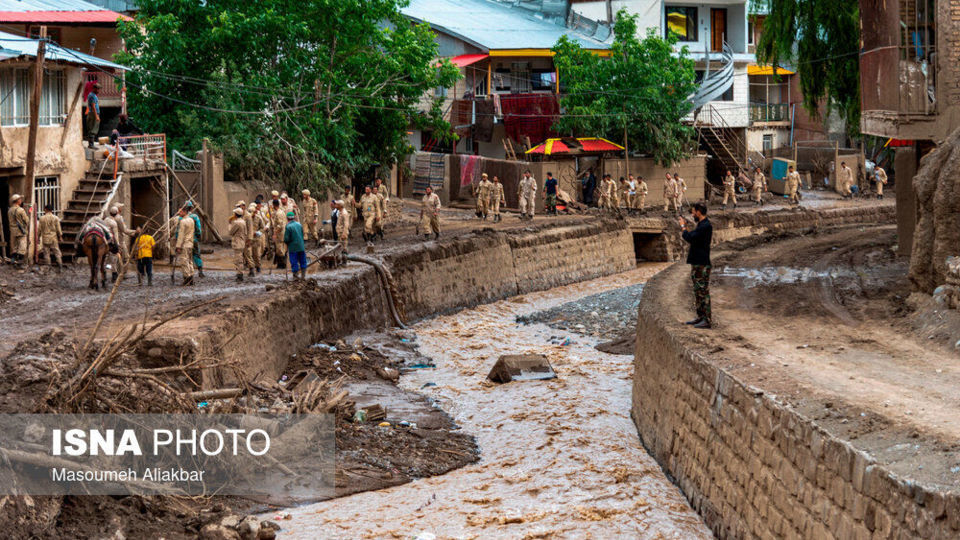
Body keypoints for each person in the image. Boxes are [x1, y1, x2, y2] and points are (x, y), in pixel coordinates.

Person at [679, 202, 713, 329]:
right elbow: (693, 236)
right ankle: (700, 317)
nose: (692, 214)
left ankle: (707, 320)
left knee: (703, 292)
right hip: (697, 263)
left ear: (699, 212)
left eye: (693, 212)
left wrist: (683, 227)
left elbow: (690, 238)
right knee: (698, 292)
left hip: (702, 264)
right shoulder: (701, 225)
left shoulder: (705, 226)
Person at [37, 204, 63, 272]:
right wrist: (60, 236)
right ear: (52, 210)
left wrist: (38, 238)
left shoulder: (42, 218)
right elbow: (58, 228)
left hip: (45, 238)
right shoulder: (56, 218)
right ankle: (60, 266)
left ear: (45, 209)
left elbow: (39, 229)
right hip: (53, 238)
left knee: (46, 253)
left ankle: (48, 267)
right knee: (57, 252)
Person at [174, 206, 196, 286]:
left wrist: (178, 246)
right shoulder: (191, 220)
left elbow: (181, 235)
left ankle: (187, 278)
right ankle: (191, 277)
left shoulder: (183, 222)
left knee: (184, 261)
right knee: (190, 260)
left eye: (180, 212)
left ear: (184, 212)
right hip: (190, 243)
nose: (179, 213)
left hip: (185, 244)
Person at [284, 211, 307, 279]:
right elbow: (302, 234)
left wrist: (285, 242)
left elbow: (286, 239)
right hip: (301, 246)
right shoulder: (299, 225)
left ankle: (295, 275)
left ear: (287, 219)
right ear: (294, 218)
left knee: (294, 261)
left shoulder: (288, 227)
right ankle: (303, 275)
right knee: (303, 261)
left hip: (293, 247)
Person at [228, 206, 248, 282]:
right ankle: (239, 273)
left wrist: (230, 224)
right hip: (242, 242)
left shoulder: (237, 223)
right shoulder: (243, 222)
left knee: (238, 260)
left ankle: (240, 274)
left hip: (237, 243)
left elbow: (231, 232)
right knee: (240, 259)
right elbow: (245, 233)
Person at [269, 199, 287, 268]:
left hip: (280, 234)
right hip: (281, 233)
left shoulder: (278, 213)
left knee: (280, 249)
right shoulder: (281, 211)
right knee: (281, 248)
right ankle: (280, 264)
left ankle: (282, 264)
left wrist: (275, 233)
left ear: (274, 205)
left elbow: (280, 225)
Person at [245, 202, 262, 274]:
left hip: (256, 239)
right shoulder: (246, 218)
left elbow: (263, 229)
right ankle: (251, 268)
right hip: (248, 239)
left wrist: (257, 233)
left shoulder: (259, 218)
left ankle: (258, 267)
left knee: (256, 255)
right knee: (248, 254)